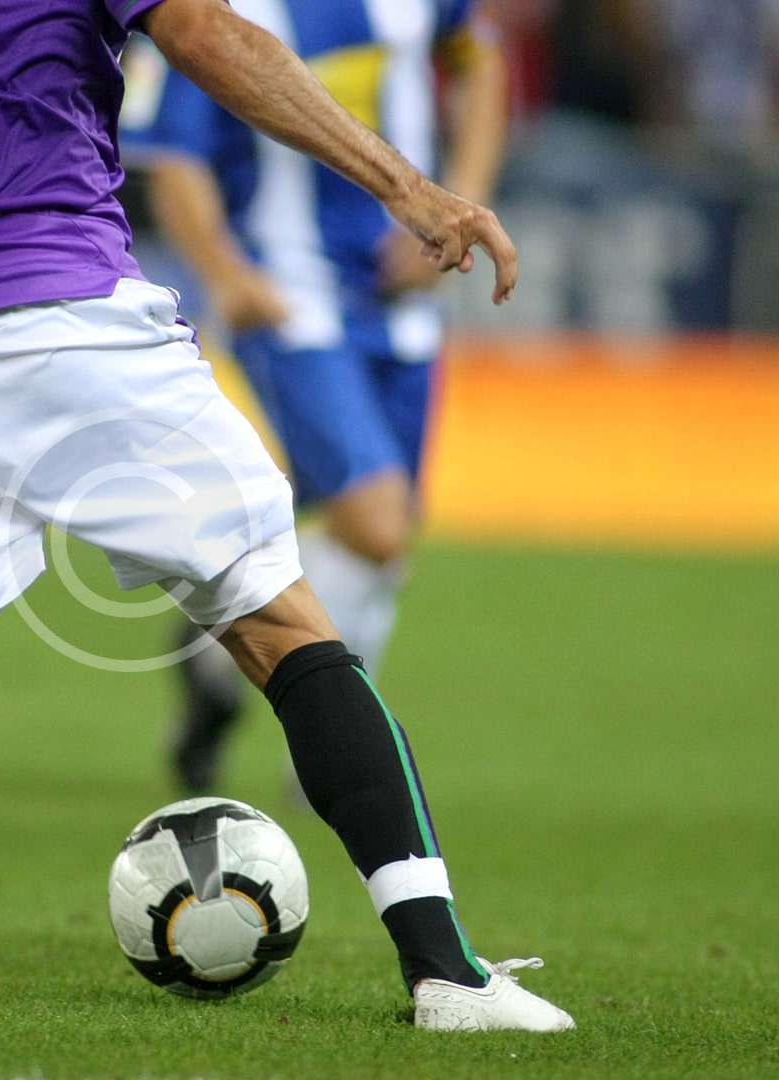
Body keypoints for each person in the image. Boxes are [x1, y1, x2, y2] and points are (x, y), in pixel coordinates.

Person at [0, 0, 571, 1032]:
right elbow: (203, 30)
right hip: (62, 315)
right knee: (281, 625)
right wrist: (408, 187)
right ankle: (447, 974)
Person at [121, 0, 510, 794]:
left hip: (404, 303)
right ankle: (338, 752)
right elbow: (174, 153)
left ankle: (214, 664)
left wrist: (463, 192)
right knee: (375, 520)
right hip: (291, 301)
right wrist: (225, 273)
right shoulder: (230, 8)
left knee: (385, 540)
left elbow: (479, 58)